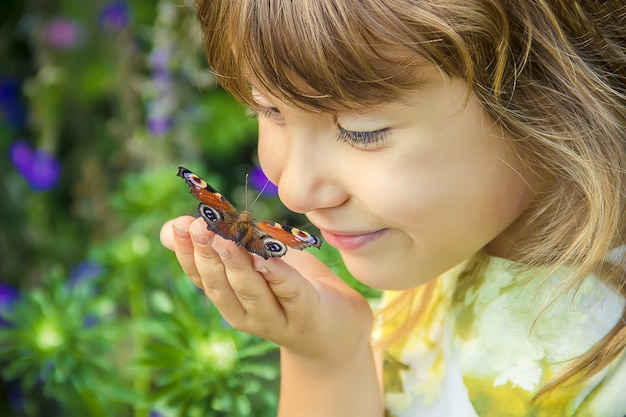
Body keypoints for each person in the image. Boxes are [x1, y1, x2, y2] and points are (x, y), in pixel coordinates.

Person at [160, 1, 626, 415]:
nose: (295, 193)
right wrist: (328, 355)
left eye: (362, 132)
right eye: (268, 111)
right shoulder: (439, 249)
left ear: (550, 95)